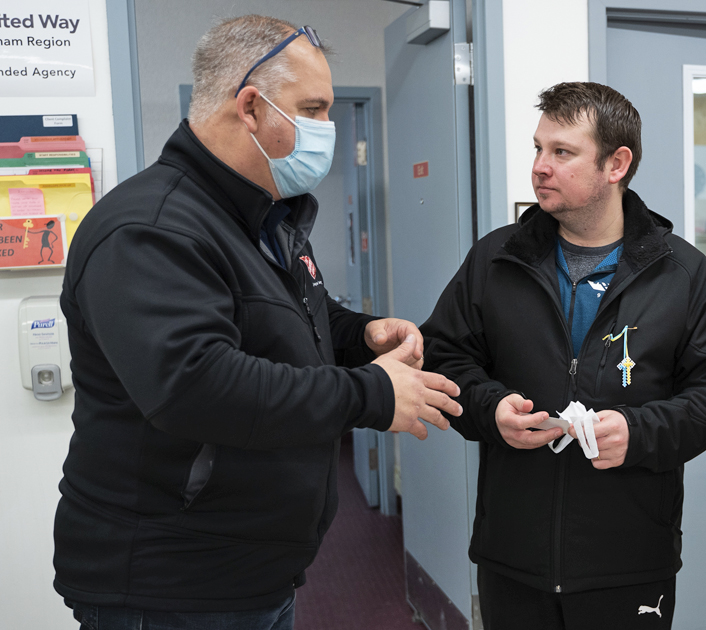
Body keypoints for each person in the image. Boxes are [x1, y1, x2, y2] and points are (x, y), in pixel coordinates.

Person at [53, 15, 462, 630]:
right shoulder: (151, 228)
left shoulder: (264, 215)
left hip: (250, 570)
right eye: (314, 108)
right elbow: (196, 386)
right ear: (251, 106)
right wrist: (371, 393)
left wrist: (360, 336)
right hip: (170, 584)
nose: (326, 127)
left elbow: (293, 317)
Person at [420, 82, 706, 629]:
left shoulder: (682, 273)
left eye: (562, 152)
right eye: (537, 148)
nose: (539, 168)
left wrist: (640, 431)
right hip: (513, 558)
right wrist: (491, 409)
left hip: (628, 563)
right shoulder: (496, 259)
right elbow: (443, 357)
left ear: (616, 164)